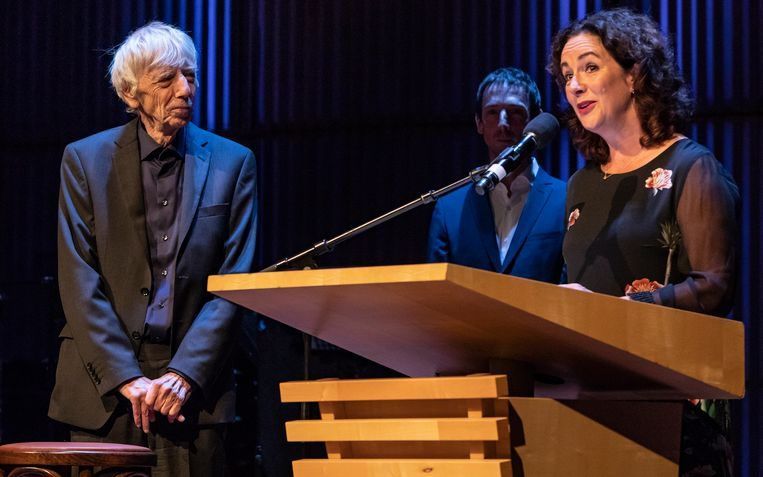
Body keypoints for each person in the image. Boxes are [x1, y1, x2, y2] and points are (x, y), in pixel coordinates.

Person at [48, 22, 257, 476]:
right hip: (103, 386)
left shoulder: (233, 162)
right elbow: (79, 278)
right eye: (167, 79)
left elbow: (235, 281)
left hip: (194, 392)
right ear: (130, 94)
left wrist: (184, 374)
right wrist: (126, 377)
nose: (185, 89)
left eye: (191, 76)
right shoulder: (84, 160)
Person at [548, 8, 738, 475]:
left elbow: (714, 287)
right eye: (567, 75)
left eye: (590, 67)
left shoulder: (692, 168)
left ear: (634, 74)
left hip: (676, 414)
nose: (574, 85)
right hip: (586, 409)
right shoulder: (580, 185)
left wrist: (612, 311)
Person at [427, 67, 566, 283]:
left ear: (535, 120)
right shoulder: (449, 209)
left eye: (515, 111)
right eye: (492, 112)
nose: (503, 124)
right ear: (479, 123)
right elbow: (436, 295)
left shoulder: (565, 199)